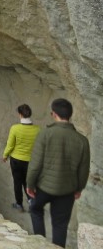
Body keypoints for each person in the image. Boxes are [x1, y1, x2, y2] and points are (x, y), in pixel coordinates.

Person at [26, 98, 90, 248]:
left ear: (53, 114)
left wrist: (30, 184)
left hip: (44, 187)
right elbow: (83, 170)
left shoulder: (45, 134)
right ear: (70, 115)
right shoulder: (82, 141)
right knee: (60, 224)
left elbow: (35, 165)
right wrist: (79, 189)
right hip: (67, 191)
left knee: (35, 209)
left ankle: (39, 243)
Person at [2, 104, 40, 212]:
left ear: (20, 114)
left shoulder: (15, 128)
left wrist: (5, 155)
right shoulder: (38, 129)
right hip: (30, 160)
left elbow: (10, 144)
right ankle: (31, 201)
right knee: (28, 182)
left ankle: (19, 204)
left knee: (17, 182)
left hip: (16, 160)